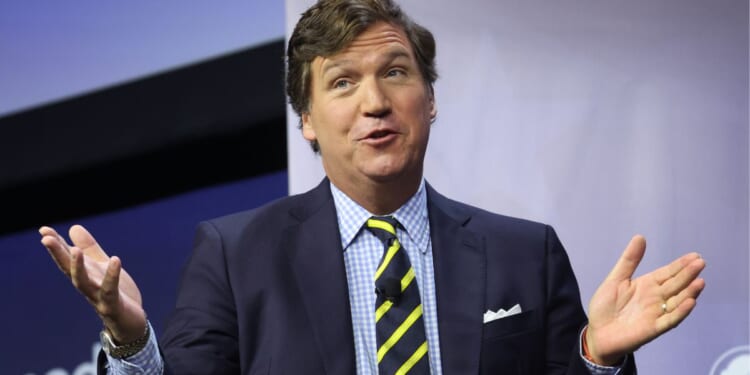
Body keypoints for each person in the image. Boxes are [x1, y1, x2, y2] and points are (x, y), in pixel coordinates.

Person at [39, 0, 706, 374]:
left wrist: (594, 356)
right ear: (306, 120)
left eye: (395, 72)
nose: (376, 103)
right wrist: (129, 342)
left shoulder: (522, 253)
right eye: (342, 82)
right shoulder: (236, 255)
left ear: (431, 99)